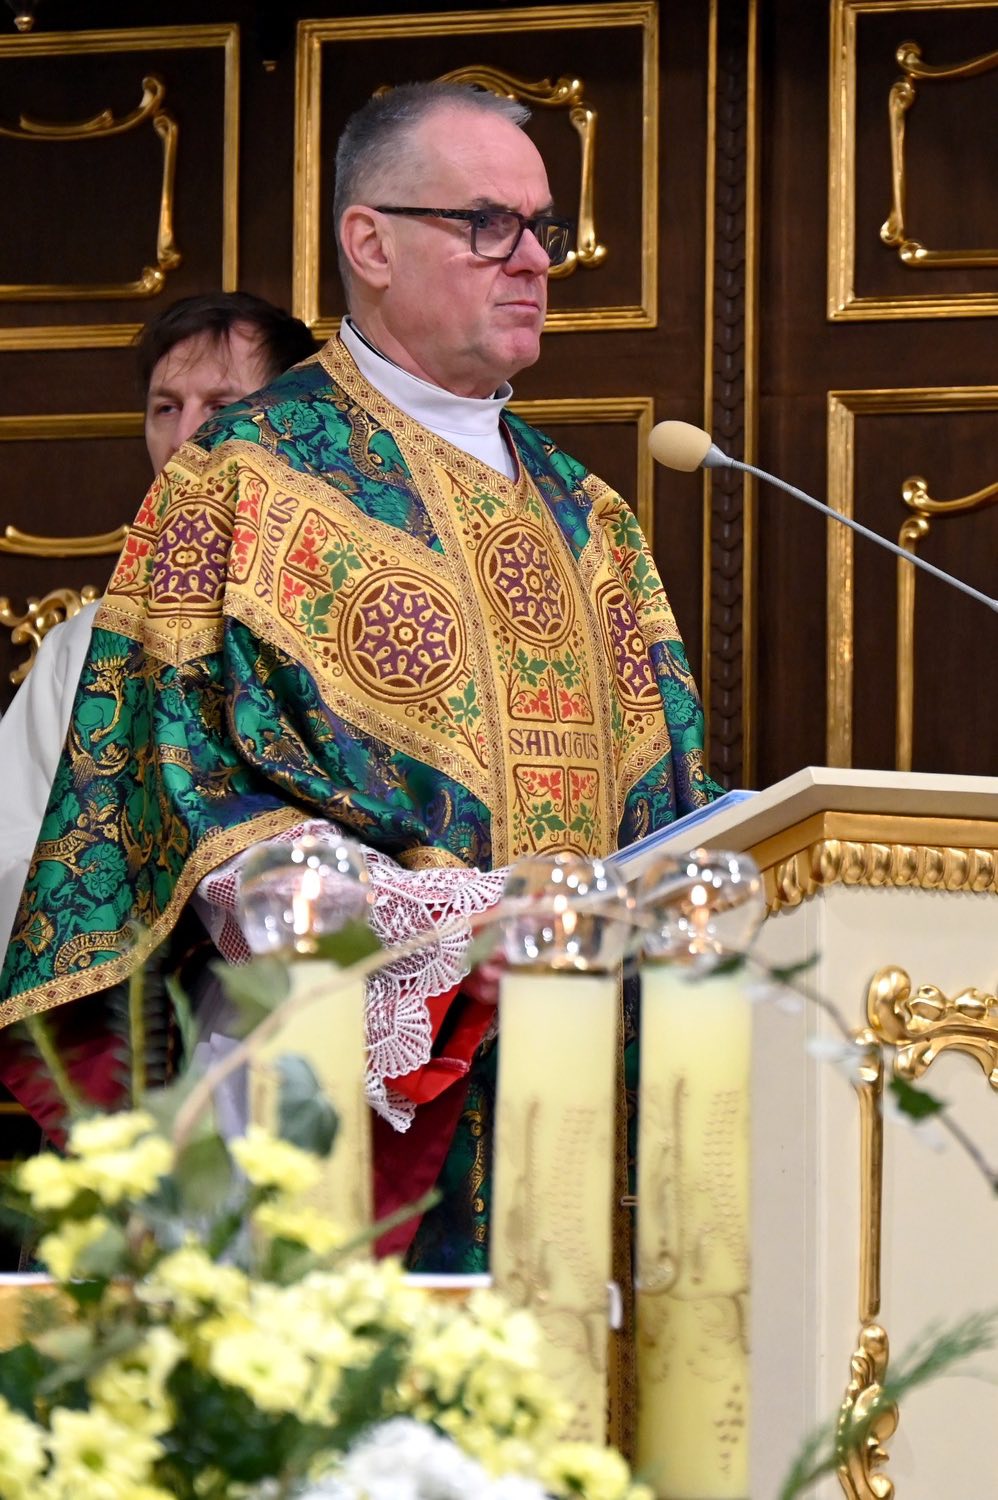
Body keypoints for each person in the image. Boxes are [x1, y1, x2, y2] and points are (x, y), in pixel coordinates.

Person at [0, 84, 720, 1270]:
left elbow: (666, 809)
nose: (532, 259)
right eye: (487, 223)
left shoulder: (590, 518)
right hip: (329, 1094)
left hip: (568, 1107)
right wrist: (433, 923)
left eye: (540, 225)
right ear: (369, 244)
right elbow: (170, 795)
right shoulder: (240, 479)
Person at [0, 293, 320, 961]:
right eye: (166, 408)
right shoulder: (82, 648)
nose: (184, 440)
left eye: (222, 406)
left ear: (290, 425)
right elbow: (11, 842)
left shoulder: (351, 628)